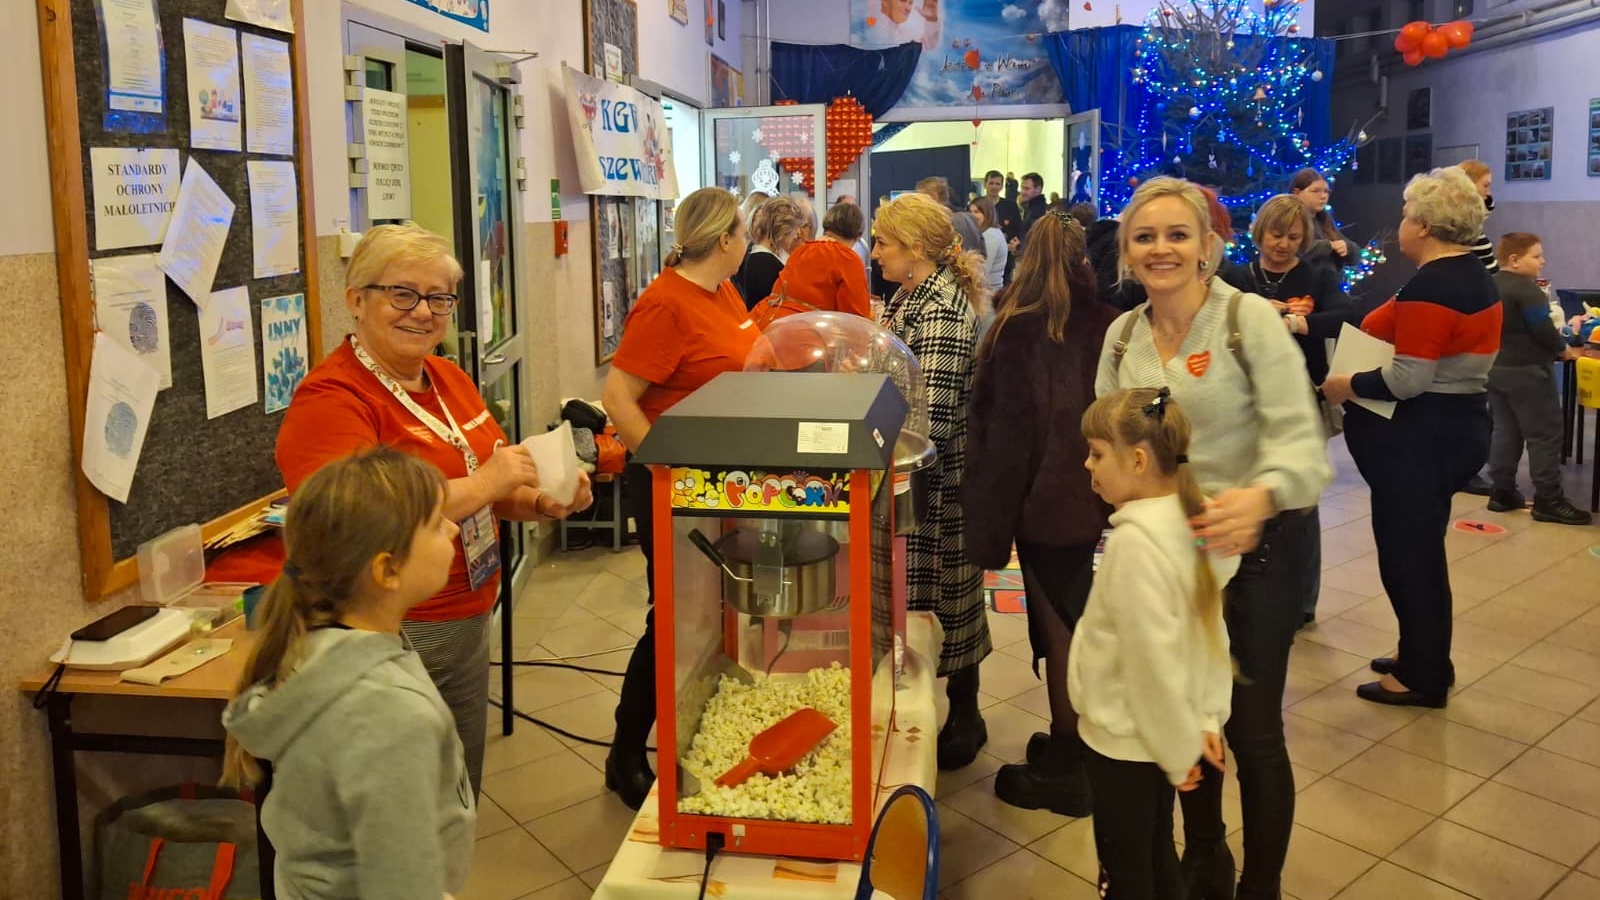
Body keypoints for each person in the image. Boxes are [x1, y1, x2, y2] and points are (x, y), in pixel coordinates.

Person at [275, 224, 593, 798]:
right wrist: (486, 481)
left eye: (439, 297)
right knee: (404, 797)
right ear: (356, 300)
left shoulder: (447, 376)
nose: (422, 312)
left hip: (468, 611)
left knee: (455, 786)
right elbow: (361, 516)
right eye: (403, 294)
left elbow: (491, 484)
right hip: (393, 627)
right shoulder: (331, 398)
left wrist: (541, 500)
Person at [1097, 177, 1330, 900]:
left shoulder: (1244, 319)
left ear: (1207, 246)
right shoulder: (1123, 336)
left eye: (1177, 235)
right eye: (1145, 237)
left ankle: (1261, 885)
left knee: (1252, 734)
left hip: (1257, 556)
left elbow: (1303, 445)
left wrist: (1260, 495)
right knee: (1186, 716)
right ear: (1127, 251)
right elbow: (1107, 443)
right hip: (1172, 562)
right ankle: (1206, 859)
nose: (1160, 249)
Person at [223, 448, 474, 900]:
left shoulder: (322, 650)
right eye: (437, 525)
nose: (453, 529)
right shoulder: (390, 713)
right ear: (387, 569)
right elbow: (401, 886)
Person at [602, 187, 761, 809]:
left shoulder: (724, 290)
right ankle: (625, 752)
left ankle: (699, 717)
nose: (747, 241)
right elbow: (619, 398)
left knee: (706, 611)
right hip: (672, 486)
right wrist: (666, 470)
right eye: (743, 231)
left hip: (718, 481)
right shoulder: (665, 304)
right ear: (723, 240)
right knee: (670, 616)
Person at [1321, 167, 1502, 709]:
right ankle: (1424, 654)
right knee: (1420, 551)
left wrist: (1345, 384)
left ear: (1423, 225)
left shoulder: (1434, 284)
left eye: (1404, 214)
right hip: (1455, 425)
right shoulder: (1469, 272)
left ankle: (1421, 675)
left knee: (1409, 557)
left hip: (1423, 436)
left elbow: (1408, 379)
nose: (1400, 223)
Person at [964, 210, 1118, 816]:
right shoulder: (1109, 323)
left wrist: (988, 527)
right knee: (1074, 619)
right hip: (1093, 496)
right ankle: (1073, 745)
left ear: (1028, 256)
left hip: (1040, 504)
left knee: (1059, 629)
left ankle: (1071, 764)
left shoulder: (1014, 328)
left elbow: (1003, 440)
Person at [1072, 388, 1238, 899]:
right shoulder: (1192, 525)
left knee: (1127, 872)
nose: (1088, 465)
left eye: (1097, 454)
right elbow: (1209, 636)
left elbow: (1150, 664)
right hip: (1166, 735)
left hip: (1125, 740)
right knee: (1157, 853)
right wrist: (1204, 718)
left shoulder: (1135, 546)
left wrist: (1176, 749)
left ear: (1139, 460)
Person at [872, 191, 992, 770]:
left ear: (916, 248)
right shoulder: (912, 295)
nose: (875, 253)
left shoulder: (941, 311)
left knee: (947, 604)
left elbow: (933, 421)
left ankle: (966, 715)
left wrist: (877, 443)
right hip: (914, 476)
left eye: (884, 243)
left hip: (935, 487)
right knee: (931, 606)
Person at [1229, 195, 1359, 626]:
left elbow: (1346, 315)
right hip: (1241, 399)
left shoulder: (1316, 275)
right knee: (1247, 493)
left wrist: (1299, 323)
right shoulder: (1237, 277)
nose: (1283, 244)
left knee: (1300, 504)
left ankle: (1303, 600)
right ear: (1260, 233)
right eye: (1275, 235)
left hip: (1301, 398)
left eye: (1292, 236)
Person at [1487, 233, 1591, 523]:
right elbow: (1542, 330)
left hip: (1495, 369)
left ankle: (1502, 492)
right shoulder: (1528, 291)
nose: (1542, 261)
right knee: (1544, 434)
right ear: (1514, 260)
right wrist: (1564, 349)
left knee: (1505, 431)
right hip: (1529, 372)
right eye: (1536, 256)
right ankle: (1548, 499)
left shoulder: (1490, 285)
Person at [753, 200, 872, 326]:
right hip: (801, 331)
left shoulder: (801, 251)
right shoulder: (849, 259)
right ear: (857, 236)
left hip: (764, 321)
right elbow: (856, 322)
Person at [734, 195, 808, 309]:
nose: (796, 235)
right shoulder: (767, 264)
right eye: (795, 228)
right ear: (783, 230)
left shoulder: (750, 257)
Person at [1289, 168, 1350, 276]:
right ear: (1296, 192)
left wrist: (1347, 247)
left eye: (1326, 192)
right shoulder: (1287, 219)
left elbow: (1354, 253)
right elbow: (1295, 248)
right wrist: (1329, 246)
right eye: (1315, 191)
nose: (1323, 196)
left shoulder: (1325, 220)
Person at [917, 176, 985, 266]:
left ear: (934, 197)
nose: (918, 204)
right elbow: (983, 252)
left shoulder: (943, 223)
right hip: (975, 271)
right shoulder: (970, 218)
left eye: (920, 199)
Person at [1458, 160, 1500, 274]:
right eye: (1485, 185)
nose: (1488, 192)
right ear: (1468, 185)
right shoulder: (1457, 222)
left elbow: (1487, 209)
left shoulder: (1475, 218)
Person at [861, 0, 942, 50]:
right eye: (903, 0)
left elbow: (927, 46)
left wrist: (931, 20)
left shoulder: (903, 32)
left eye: (910, 3)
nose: (908, 8)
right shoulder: (870, 22)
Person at [968, 197, 1008, 293]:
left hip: (989, 293)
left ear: (987, 214)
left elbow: (983, 271)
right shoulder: (990, 233)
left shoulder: (990, 236)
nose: (972, 215)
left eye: (977, 212)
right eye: (970, 212)